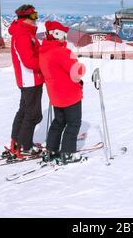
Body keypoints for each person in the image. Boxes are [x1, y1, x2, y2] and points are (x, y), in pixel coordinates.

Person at [39, 21, 86, 165]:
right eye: (62, 34)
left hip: (55, 95)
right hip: (69, 94)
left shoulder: (44, 51)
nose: (64, 38)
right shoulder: (60, 52)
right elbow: (77, 71)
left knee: (59, 122)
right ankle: (68, 153)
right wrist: (77, 62)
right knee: (73, 123)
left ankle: (51, 151)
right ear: (55, 35)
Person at [7, 4, 44, 159]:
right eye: (33, 17)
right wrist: (45, 63)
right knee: (32, 115)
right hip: (30, 79)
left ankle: (17, 143)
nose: (36, 20)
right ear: (25, 19)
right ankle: (26, 147)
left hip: (29, 80)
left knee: (24, 112)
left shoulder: (25, 33)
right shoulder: (23, 35)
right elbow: (29, 61)